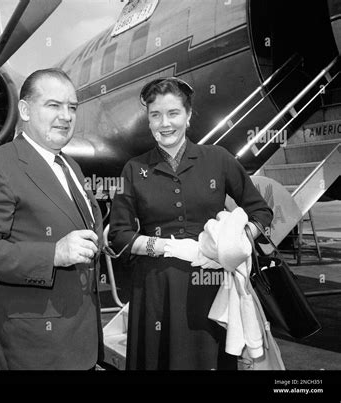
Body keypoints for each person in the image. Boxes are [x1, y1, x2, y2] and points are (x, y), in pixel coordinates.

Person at [108, 77, 273, 370]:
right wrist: (169, 247)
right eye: (155, 115)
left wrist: (232, 245)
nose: (164, 123)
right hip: (156, 291)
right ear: (147, 120)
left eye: (173, 113)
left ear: (188, 115)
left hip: (211, 288)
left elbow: (260, 212)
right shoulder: (133, 169)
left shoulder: (218, 159)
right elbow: (119, 236)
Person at [0, 68, 104, 370]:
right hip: (34, 350)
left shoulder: (70, 166)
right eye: (53, 105)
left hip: (80, 342)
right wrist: (53, 254)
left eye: (72, 107)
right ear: (24, 109)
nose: (66, 116)